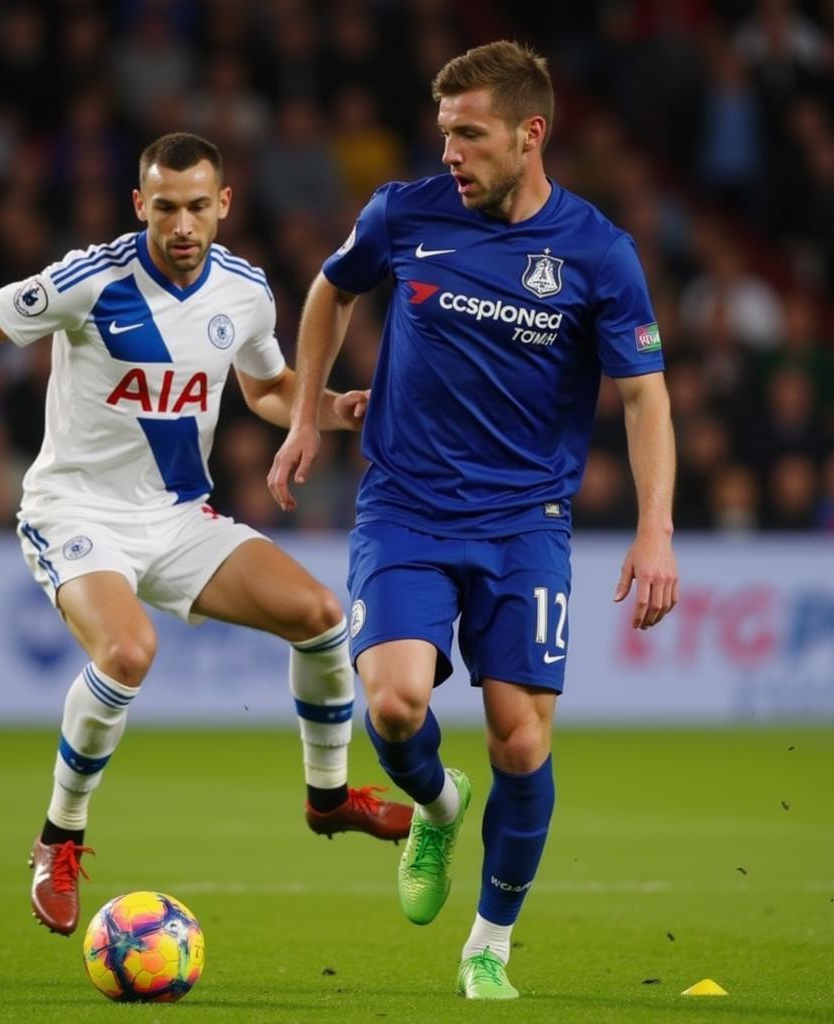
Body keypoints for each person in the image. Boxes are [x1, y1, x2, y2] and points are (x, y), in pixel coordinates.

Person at [0, 132, 411, 937]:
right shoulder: (92, 280)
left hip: (177, 515)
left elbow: (266, 387)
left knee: (321, 616)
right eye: (165, 207)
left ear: (224, 204)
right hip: (75, 510)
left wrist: (326, 408)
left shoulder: (244, 291)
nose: (182, 224)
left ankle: (327, 799)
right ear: (139, 205)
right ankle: (59, 838)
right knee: (127, 652)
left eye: (197, 206)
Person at [268, 42, 679, 1000]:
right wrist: (305, 411)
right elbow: (332, 288)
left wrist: (656, 529)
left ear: (531, 135)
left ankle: (489, 942)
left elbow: (645, 398)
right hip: (407, 505)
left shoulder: (598, 253)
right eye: (444, 131)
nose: (449, 151)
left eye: (470, 134)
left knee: (522, 742)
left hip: (525, 520)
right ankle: (440, 806)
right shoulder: (404, 214)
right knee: (397, 704)